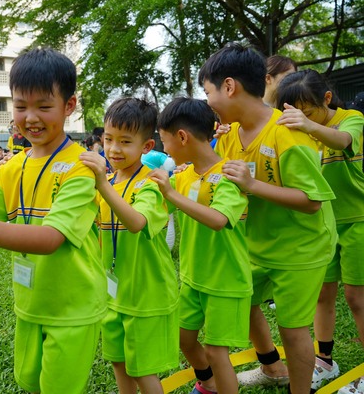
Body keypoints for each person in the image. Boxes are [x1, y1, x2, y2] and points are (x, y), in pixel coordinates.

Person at [0, 47, 107, 394]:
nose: (31, 117)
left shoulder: (81, 168)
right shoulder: (13, 167)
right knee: (28, 382)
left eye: (44, 106)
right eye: (21, 106)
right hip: (29, 303)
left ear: (69, 106)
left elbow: (52, 238)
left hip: (73, 306)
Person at [199, 43, 336, 394]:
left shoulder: (287, 133)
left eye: (207, 91)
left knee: (293, 329)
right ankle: (273, 367)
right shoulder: (230, 137)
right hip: (258, 243)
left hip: (301, 248)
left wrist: (253, 184)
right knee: (242, 301)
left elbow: (311, 201)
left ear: (229, 87)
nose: (208, 102)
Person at [150, 97, 251, 394]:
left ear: (182, 137)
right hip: (193, 278)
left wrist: (172, 194)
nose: (164, 150)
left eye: (165, 142)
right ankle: (208, 384)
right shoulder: (185, 176)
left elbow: (219, 219)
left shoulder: (229, 175)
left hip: (225, 281)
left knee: (218, 352)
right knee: (184, 337)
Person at [79, 97, 179, 394]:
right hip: (113, 294)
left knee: (143, 372)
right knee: (118, 363)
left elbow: (137, 223)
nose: (113, 149)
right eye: (108, 139)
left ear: (147, 147)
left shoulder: (152, 184)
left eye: (125, 141)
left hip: (147, 296)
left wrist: (103, 186)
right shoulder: (108, 180)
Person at [275, 70, 364, 393]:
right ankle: (324, 360)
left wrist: (308, 125)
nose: (302, 117)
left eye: (307, 110)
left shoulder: (350, 118)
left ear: (326, 99)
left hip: (358, 221)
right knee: (322, 293)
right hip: (323, 226)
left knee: (356, 297)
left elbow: (343, 140)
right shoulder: (300, 129)